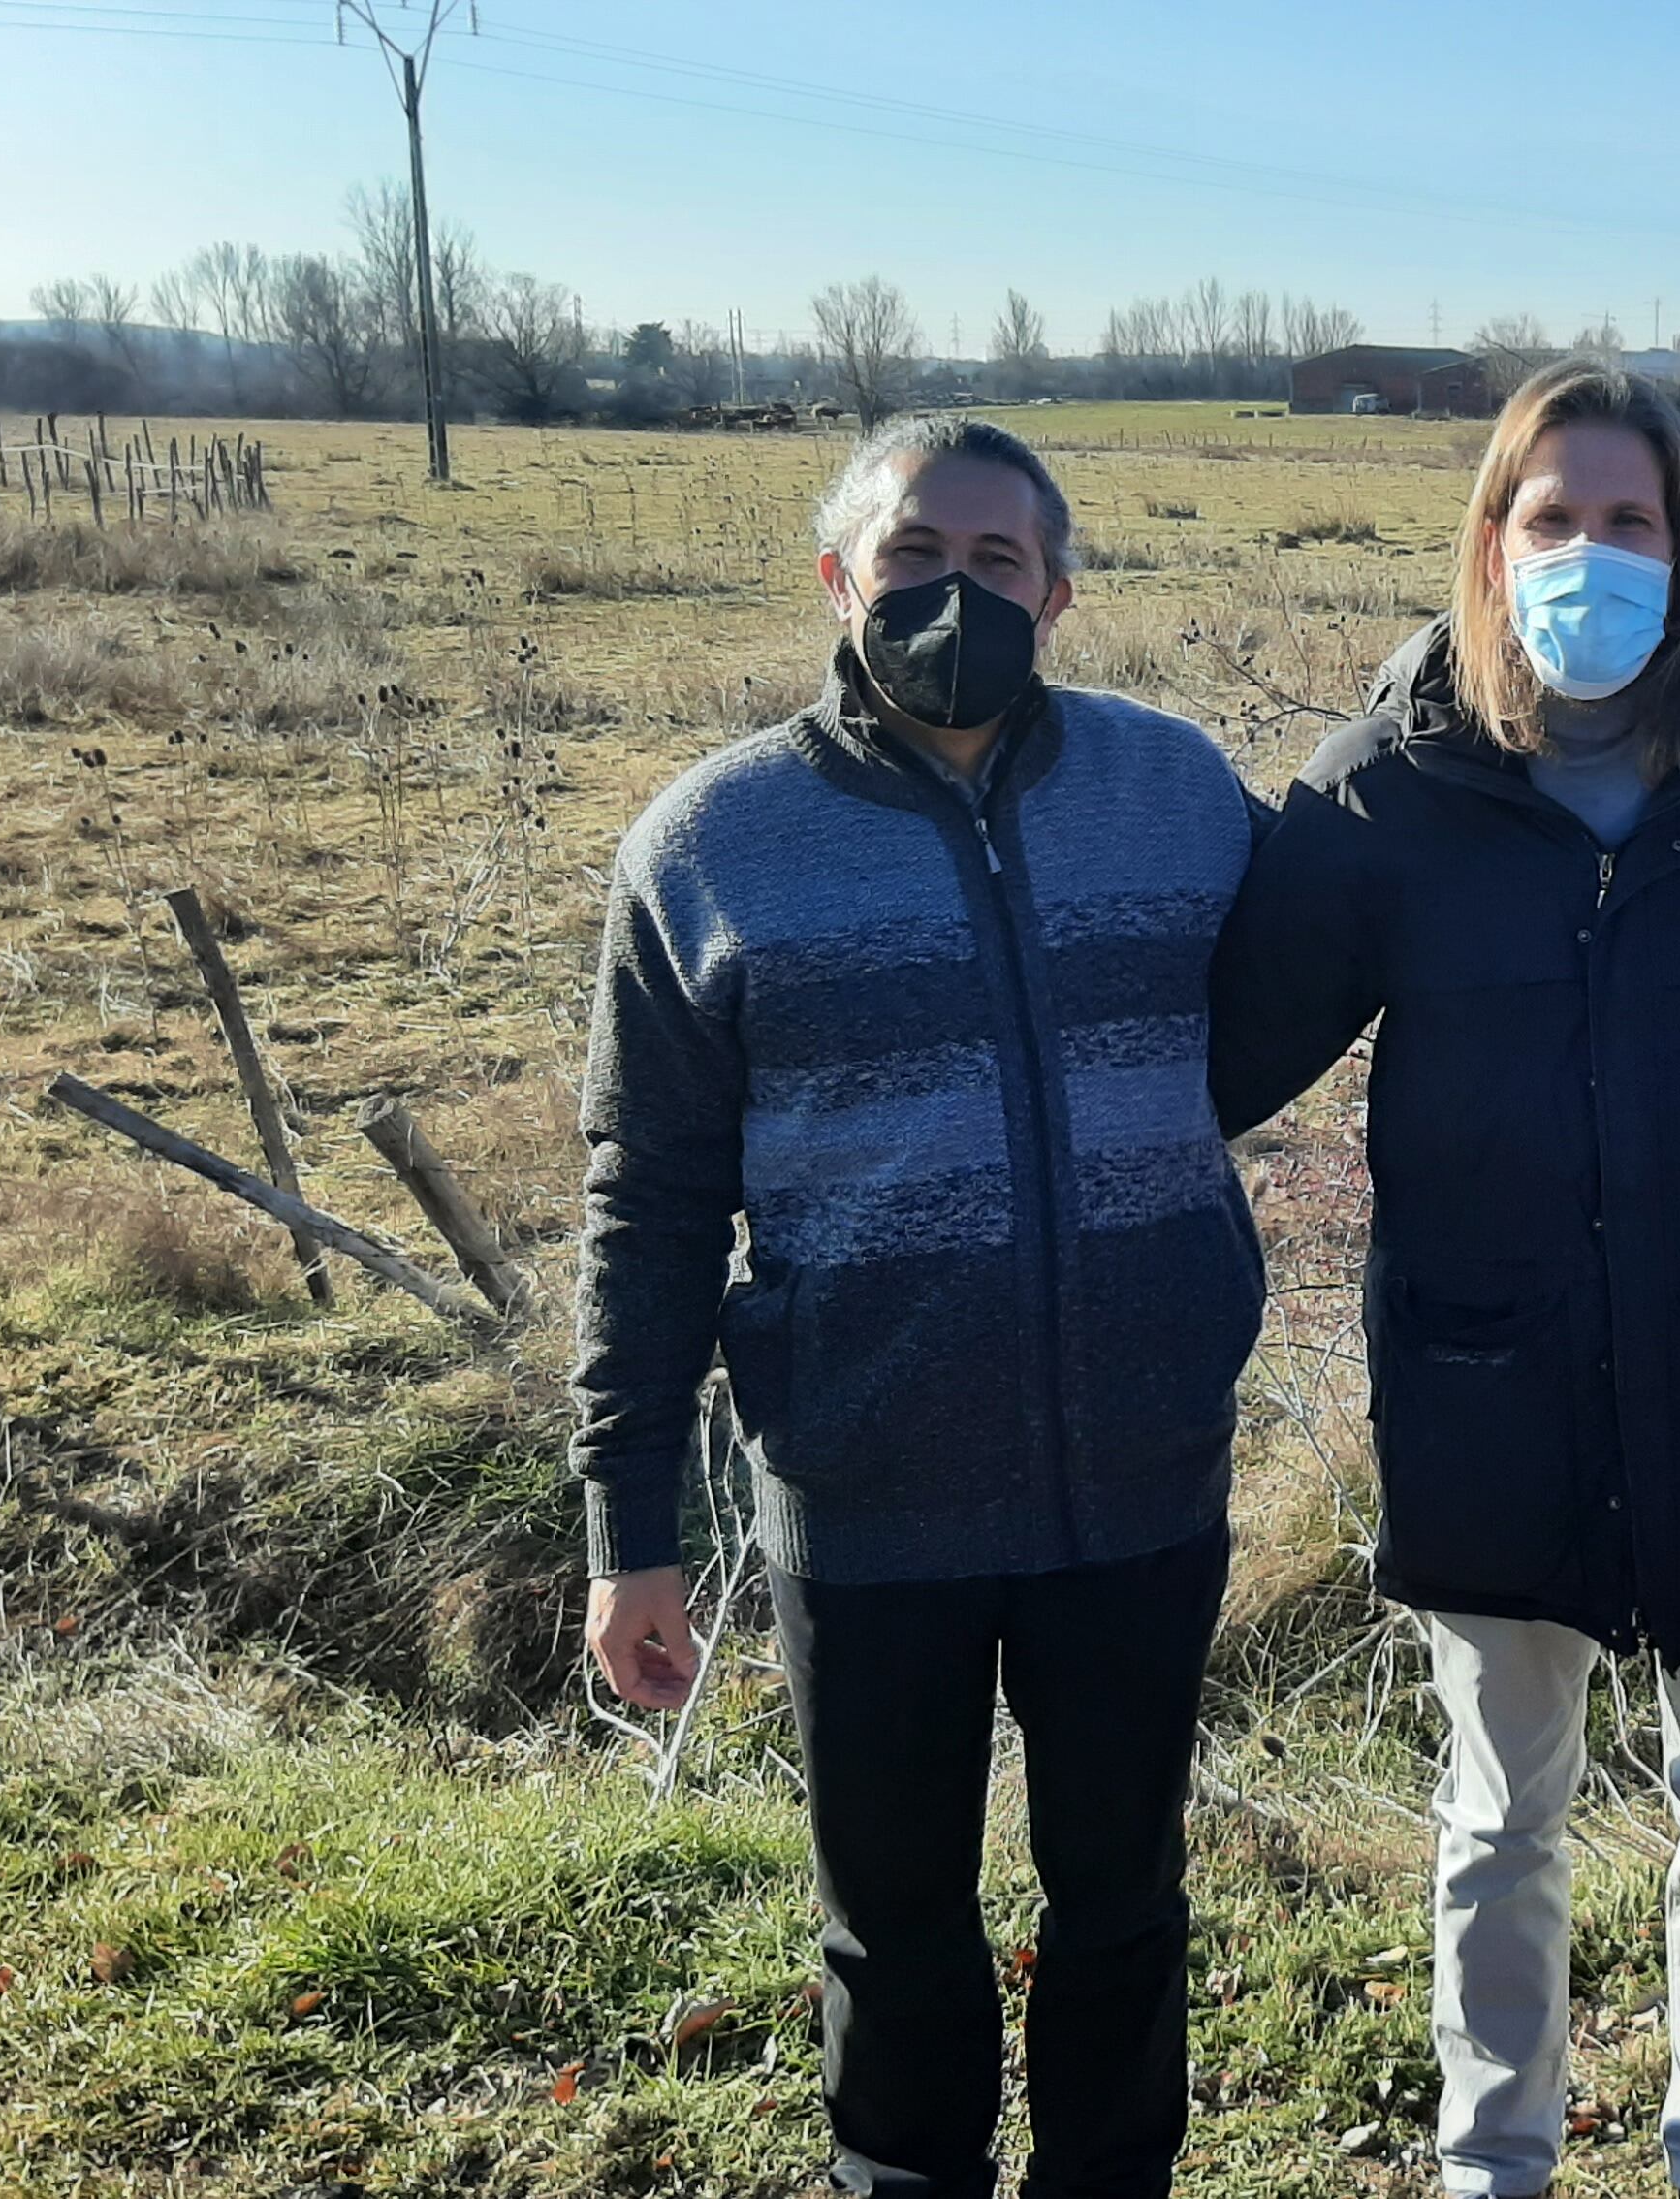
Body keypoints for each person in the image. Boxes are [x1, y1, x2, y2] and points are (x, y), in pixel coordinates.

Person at [1209, 359, 1680, 2199]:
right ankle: (1493, 2158)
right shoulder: (1391, 795)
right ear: (1492, 545)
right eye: (1554, 518)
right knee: (1501, 1815)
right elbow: (1208, 1060)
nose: (1592, 551)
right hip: (1487, 1381)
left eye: (1631, 519)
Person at [570, 414, 1265, 2199]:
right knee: (894, 1939)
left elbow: (1348, 940)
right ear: (838, 577)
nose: (957, 595)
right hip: (871, 1500)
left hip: (1139, 1485)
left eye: (999, 564)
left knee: (1123, 1909)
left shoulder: (1176, 793)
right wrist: (624, 1527)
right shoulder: (712, 845)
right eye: (913, 560)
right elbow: (645, 1208)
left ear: (1061, 589)